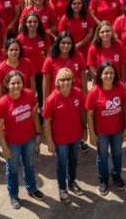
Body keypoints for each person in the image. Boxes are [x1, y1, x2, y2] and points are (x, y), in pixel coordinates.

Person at [0, 70, 44, 209]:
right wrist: (4, 147)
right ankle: (13, 195)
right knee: (13, 169)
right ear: (7, 85)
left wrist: (39, 133)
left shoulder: (28, 94)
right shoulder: (3, 103)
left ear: (23, 84)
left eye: (19, 83)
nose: (16, 86)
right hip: (12, 143)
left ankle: (32, 189)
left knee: (29, 165)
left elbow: (35, 114)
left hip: (29, 139)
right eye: (13, 83)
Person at [43, 68, 87, 203]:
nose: (66, 82)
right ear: (57, 82)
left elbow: (82, 113)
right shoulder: (51, 100)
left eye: (68, 79)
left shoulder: (78, 93)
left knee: (73, 161)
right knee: (61, 164)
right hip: (60, 140)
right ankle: (62, 189)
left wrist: (85, 131)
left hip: (75, 137)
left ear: (73, 80)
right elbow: (46, 121)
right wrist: (49, 142)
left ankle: (72, 182)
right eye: (62, 79)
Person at [86, 61, 126, 195]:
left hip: (118, 130)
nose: (109, 76)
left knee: (117, 153)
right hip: (101, 132)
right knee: (102, 156)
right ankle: (103, 179)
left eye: (111, 73)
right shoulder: (94, 91)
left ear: (115, 75)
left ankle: (116, 176)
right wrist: (92, 134)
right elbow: (89, 114)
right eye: (105, 73)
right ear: (100, 75)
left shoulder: (120, 87)